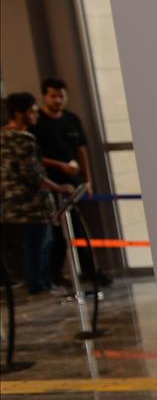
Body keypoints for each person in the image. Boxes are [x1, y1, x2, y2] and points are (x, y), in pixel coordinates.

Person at [32, 78, 102, 288]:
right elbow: (34, 156)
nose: (58, 100)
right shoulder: (38, 123)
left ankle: (90, 271)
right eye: (53, 96)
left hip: (74, 184)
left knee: (79, 229)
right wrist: (60, 166)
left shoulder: (71, 119)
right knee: (56, 234)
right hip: (51, 185)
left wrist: (87, 180)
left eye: (61, 96)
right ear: (45, 96)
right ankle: (55, 274)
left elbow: (82, 150)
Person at [1, 93, 64, 296]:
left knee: (30, 245)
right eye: (32, 111)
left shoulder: (2, 136)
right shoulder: (24, 139)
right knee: (38, 245)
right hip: (32, 203)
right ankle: (39, 285)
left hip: (10, 202)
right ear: (20, 114)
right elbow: (32, 172)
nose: (36, 114)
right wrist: (58, 187)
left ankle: (36, 283)